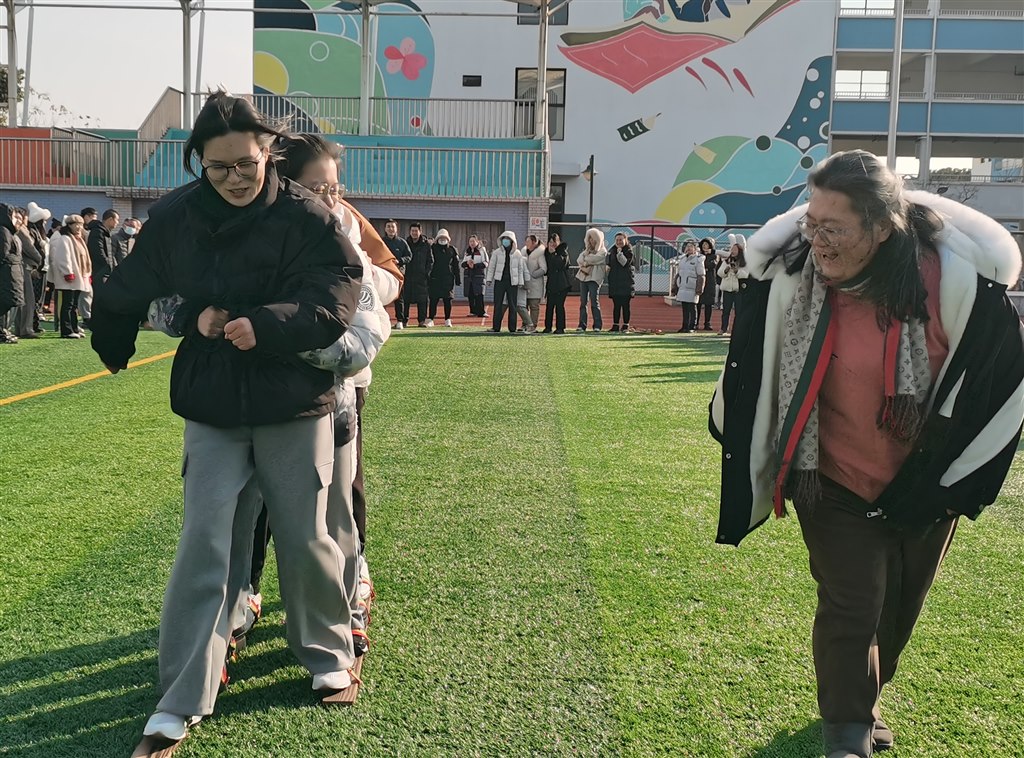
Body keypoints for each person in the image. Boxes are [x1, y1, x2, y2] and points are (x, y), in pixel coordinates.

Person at [709, 150, 1024, 758]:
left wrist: (953, 485)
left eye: (834, 228)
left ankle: (867, 698)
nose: (817, 241)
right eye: (811, 224)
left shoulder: (954, 286)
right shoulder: (794, 279)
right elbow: (753, 360)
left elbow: (996, 386)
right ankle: (847, 731)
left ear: (882, 228)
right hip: (828, 478)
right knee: (852, 602)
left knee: (897, 610)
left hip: (924, 483)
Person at [89, 92, 366, 749]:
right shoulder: (176, 216)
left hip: (292, 399)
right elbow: (135, 283)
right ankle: (183, 693)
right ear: (199, 164)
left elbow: (339, 289)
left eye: (247, 163)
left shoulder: (307, 215)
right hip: (213, 401)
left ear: (269, 152)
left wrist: (268, 324)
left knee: (306, 536)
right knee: (204, 542)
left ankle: (328, 656)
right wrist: (165, 326)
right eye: (219, 168)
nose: (235, 178)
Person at [47, 215, 91, 338]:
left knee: (74, 304)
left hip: (79, 277)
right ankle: (66, 330)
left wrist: (87, 274)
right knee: (68, 304)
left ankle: (74, 327)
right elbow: (62, 258)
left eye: (81, 224)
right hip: (69, 278)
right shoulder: (65, 239)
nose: (78, 227)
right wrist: (67, 273)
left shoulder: (78, 239)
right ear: (69, 225)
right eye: (75, 224)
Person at [485, 230, 528, 333]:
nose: (505, 241)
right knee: (498, 304)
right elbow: (491, 267)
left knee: (513, 305)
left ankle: (512, 328)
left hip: (512, 282)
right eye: (504, 239)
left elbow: (520, 268)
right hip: (499, 281)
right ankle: (496, 327)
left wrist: (520, 282)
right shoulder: (496, 252)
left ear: (512, 241)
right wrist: (489, 279)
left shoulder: (517, 253)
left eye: (508, 239)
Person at [13, 208, 44, 338]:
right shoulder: (21, 230)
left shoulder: (22, 230)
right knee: (27, 299)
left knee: (25, 299)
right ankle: (25, 329)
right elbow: (29, 248)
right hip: (24, 267)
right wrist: (40, 259)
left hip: (25, 266)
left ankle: (22, 328)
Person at [0, 204, 25, 344]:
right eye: (15, 216)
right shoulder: (3, 231)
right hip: (6, 273)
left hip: (12, 272)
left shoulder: (9, 232)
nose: (18, 220)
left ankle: (4, 330)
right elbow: (3, 253)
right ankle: (2, 331)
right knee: (4, 303)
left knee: (7, 303)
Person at [381, 219, 412, 328]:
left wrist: (400, 261)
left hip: (398, 274)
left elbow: (409, 256)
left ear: (396, 229)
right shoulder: (381, 242)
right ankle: (383, 321)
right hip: (384, 273)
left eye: (392, 226)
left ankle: (400, 321)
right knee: (383, 297)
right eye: (388, 226)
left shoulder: (402, 242)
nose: (391, 229)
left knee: (399, 298)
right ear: (385, 229)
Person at [576, 228, 608, 332]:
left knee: (594, 302)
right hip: (583, 278)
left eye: (593, 238)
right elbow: (579, 260)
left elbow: (595, 259)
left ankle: (597, 325)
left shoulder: (603, 251)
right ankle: (582, 325)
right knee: (583, 302)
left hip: (594, 279)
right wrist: (586, 259)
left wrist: (586, 259)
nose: (591, 241)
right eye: (589, 238)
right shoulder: (586, 251)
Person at [427, 228, 460, 327]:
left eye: (444, 237)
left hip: (448, 279)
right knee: (433, 299)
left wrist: (458, 279)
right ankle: (431, 319)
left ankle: (447, 319)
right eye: (440, 237)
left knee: (448, 300)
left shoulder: (452, 250)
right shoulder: (432, 248)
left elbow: (456, 265)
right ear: (437, 238)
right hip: (435, 278)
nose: (442, 239)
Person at [717, 233, 747, 335]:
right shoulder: (726, 261)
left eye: (735, 249)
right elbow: (719, 273)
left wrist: (736, 271)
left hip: (738, 290)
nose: (733, 251)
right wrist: (726, 270)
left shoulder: (744, 262)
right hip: (727, 289)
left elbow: (746, 275)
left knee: (739, 311)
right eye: (732, 249)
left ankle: (738, 329)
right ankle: (723, 328)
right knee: (726, 311)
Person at [403, 222, 432, 327]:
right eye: (412, 231)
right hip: (408, 276)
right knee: (405, 299)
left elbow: (430, 260)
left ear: (420, 231)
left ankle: (421, 321)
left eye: (416, 231)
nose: (414, 233)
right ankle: (404, 320)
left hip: (421, 277)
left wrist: (426, 273)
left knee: (422, 300)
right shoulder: (405, 243)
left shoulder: (426, 244)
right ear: (410, 232)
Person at [606, 232, 635, 332]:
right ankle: (615, 325)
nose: (619, 242)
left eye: (621, 240)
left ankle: (626, 325)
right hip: (615, 282)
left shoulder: (629, 251)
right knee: (616, 305)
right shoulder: (612, 251)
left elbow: (625, 263)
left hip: (626, 283)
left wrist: (619, 253)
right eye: (617, 240)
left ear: (625, 240)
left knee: (625, 305)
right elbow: (609, 264)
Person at [542, 233, 571, 334]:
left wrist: (554, 254)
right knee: (549, 306)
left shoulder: (563, 252)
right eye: (550, 242)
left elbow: (561, 264)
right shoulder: (546, 253)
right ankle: (548, 327)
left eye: (554, 242)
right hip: (551, 283)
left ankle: (560, 328)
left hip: (562, 284)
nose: (552, 244)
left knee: (559, 306)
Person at [673, 239, 704, 333]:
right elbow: (679, 274)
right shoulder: (682, 259)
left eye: (691, 246)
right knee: (685, 308)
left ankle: (692, 326)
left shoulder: (698, 260)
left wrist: (699, 288)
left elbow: (701, 275)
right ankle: (684, 326)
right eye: (687, 246)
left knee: (692, 308)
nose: (689, 248)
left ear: (695, 248)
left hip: (692, 287)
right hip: (683, 287)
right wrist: (675, 285)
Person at [462, 234, 489, 318]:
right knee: (470, 294)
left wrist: (475, 265)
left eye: (473, 241)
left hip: (478, 276)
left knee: (479, 294)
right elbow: (462, 264)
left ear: (477, 242)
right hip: (469, 276)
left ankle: (481, 312)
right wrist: (467, 263)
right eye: (470, 241)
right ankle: (472, 311)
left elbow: (486, 263)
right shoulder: (467, 252)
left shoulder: (482, 250)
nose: (472, 243)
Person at [523, 234, 546, 330]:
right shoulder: (524, 252)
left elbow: (544, 268)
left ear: (534, 242)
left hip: (535, 284)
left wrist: (533, 274)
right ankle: (525, 324)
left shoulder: (540, 253)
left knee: (534, 306)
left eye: (528, 241)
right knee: (523, 306)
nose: (526, 243)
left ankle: (533, 325)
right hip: (525, 284)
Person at [698, 238, 717, 330]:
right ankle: (695, 322)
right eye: (703, 244)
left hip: (710, 281)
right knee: (698, 303)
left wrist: (705, 266)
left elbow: (712, 265)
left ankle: (707, 323)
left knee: (708, 304)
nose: (704, 246)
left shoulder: (714, 256)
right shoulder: (698, 255)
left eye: (707, 244)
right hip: (700, 281)